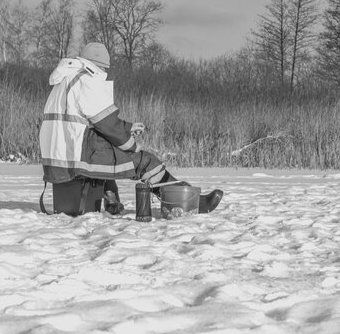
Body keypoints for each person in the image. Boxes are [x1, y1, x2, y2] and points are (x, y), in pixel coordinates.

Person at [39, 42, 223, 216]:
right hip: (77, 157)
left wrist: (127, 127)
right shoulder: (86, 79)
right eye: (104, 68)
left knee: (109, 153)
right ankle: (190, 203)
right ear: (97, 65)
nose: (104, 72)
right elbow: (107, 124)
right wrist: (132, 146)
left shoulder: (66, 80)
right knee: (145, 161)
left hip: (60, 158)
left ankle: (112, 200)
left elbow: (88, 121)